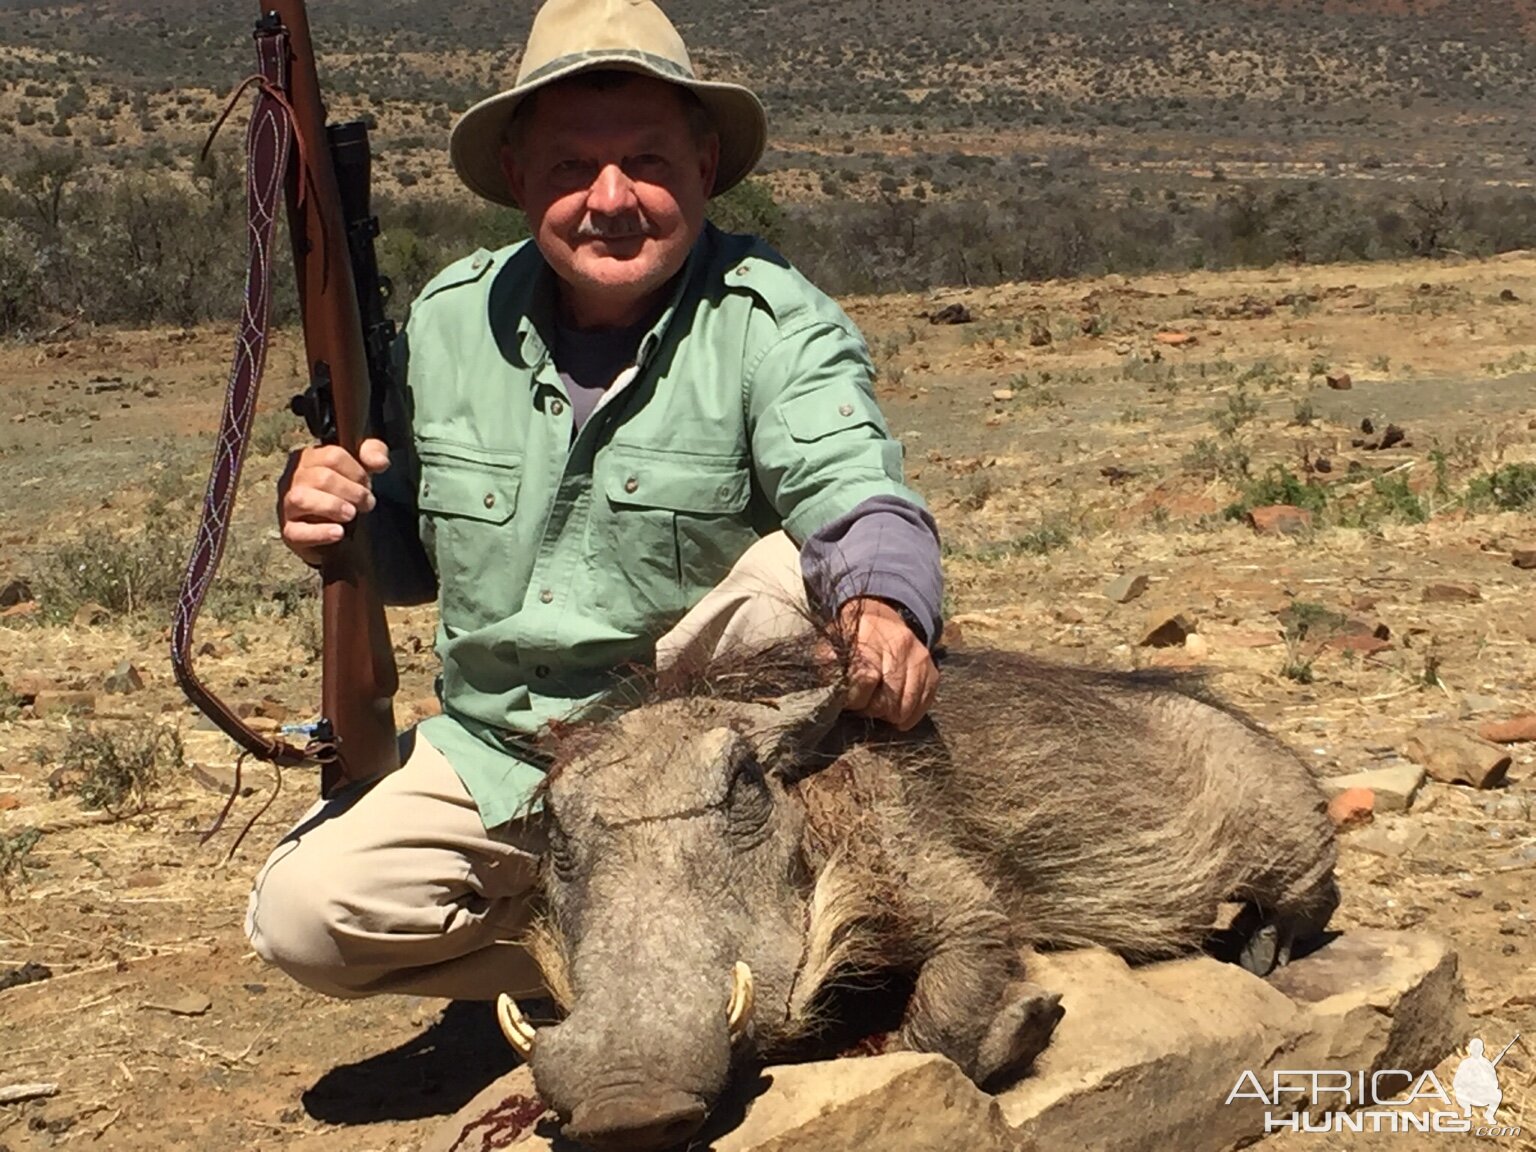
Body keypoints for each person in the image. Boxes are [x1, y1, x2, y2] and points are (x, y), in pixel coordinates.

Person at [244, 0, 944, 1002]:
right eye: (572, 167)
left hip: (691, 772)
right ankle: (620, 968)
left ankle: (713, 941)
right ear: (521, 178)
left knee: (803, 574)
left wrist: (883, 601)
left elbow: (855, 491)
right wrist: (329, 516)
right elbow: (405, 557)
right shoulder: (448, 323)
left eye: (649, 163)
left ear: (705, 166)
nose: (609, 199)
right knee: (306, 922)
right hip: (502, 755)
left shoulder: (773, 321)